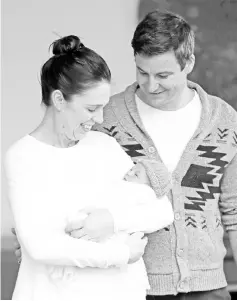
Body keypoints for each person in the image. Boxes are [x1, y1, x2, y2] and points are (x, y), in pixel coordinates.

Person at [67, 9, 237, 300]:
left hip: (208, 289)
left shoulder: (223, 121)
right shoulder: (106, 118)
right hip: (128, 284)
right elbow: (75, 192)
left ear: (189, 64)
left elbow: (234, 211)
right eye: (142, 72)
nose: (150, 85)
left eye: (163, 75)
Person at [5, 35, 174, 301]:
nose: (100, 119)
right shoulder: (24, 157)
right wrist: (120, 255)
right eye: (91, 109)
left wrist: (112, 221)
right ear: (59, 100)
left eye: (103, 108)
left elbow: (162, 209)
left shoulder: (104, 146)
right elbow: (41, 246)